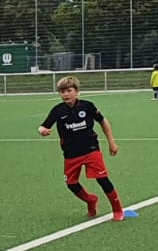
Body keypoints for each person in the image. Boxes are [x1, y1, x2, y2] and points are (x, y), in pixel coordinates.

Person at [39, 76, 124, 222]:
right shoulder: (58, 111)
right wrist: (42, 131)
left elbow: (103, 121)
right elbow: (43, 126)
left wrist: (112, 142)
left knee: (102, 178)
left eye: (69, 90)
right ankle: (90, 200)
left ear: (77, 91)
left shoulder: (87, 106)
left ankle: (117, 209)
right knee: (71, 184)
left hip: (91, 149)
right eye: (62, 92)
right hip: (71, 153)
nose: (65, 94)